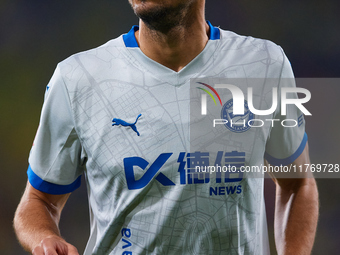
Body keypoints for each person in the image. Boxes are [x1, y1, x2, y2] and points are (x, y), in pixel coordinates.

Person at [14, 1, 319, 254]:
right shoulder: (77, 79)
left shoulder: (264, 64)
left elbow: (298, 184)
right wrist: (44, 238)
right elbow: (38, 200)